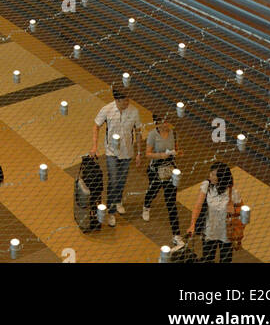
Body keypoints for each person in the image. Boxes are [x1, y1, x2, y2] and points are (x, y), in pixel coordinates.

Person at [91, 84, 142, 224]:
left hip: (127, 152)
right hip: (111, 152)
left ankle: (118, 200)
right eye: (124, 100)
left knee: (122, 180)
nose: (127, 103)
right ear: (117, 100)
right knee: (113, 180)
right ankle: (111, 211)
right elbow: (96, 125)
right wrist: (95, 146)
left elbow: (138, 132)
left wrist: (138, 153)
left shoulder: (134, 112)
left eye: (128, 100)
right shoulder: (107, 110)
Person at [142, 113, 184, 250]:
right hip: (156, 168)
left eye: (167, 121)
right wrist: (160, 155)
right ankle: (146, 205)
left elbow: (178, 149)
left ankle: (176, 235)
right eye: (163, 122)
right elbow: (147, 154)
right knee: (153, 191)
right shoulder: (152, 135)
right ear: (157, 123)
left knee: (171, 201)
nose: (166, 124)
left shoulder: (174, 133)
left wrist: (178, 153)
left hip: (170, 168)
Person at [186, 161, 242, 263]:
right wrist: (192, 224)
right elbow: (197, 206)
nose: (210, 176)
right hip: (209, 230)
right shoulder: (206, 186)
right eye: (210, 173)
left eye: (213, 175)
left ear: (221, 177)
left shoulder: (232, 192)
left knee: (225, 260)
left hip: (226, 233)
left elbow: (242, 210)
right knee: (207, 259)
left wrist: (234, 210)